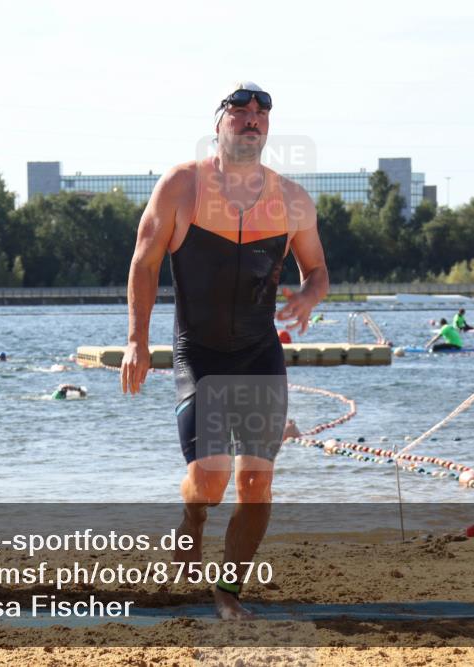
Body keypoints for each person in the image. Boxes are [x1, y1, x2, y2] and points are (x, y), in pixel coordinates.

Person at [120, 81, 329, 620]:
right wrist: (136, 342)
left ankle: (228, 591)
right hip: (201, 354)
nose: (251, 117)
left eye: (261, 111)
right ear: (218, 123)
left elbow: (318, 270)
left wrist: (308, 296)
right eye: (239, 109)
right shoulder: (180, 186)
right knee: (209, 483)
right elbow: (143, 264)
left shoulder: (292, 199)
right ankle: (191, 520)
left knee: (256, 483)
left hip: (259, 352)